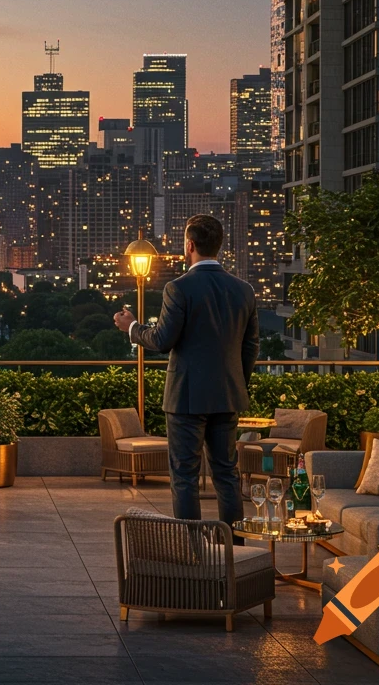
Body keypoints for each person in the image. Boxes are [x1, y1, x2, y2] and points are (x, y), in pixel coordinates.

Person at [114, 214, 258, 531]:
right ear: (218, 246)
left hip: (186, 401)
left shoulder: (178, 288)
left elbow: (163, 340)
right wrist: (236, 385)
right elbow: (250, 348)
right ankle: (234, 553)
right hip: (228, 396)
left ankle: (193, 557)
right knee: (227, 475)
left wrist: (132, 327)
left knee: (184, 478)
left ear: (189, 246)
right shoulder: (243, 290)